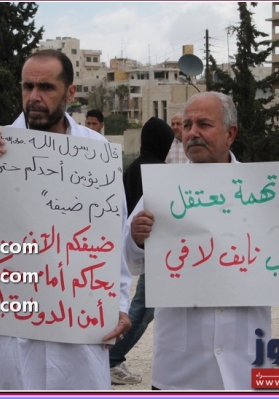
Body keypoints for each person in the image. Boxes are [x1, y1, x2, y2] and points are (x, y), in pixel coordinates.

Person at [124, 92, 279, 390]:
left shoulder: (267, 189)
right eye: (187, 125)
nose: (192, 133)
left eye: (204, 124)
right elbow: (131, 261)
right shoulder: (162, 189)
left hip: (246, 366)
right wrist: (137, 238)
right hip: (179, 370)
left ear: (230, 134)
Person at [0, 49, 132, 390]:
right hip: (14, 322)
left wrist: (120, 305)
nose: (34, 97)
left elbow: (113, 240)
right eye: (28, 87)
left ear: (70, 92)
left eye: (46, 87)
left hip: (79, 323)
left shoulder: (96, 151)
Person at [109, 117, 174, 385]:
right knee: (143, 309)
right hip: (160, 253)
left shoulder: (132, 169)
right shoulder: (163, 173)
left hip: (133, 246)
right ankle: (111, 359)